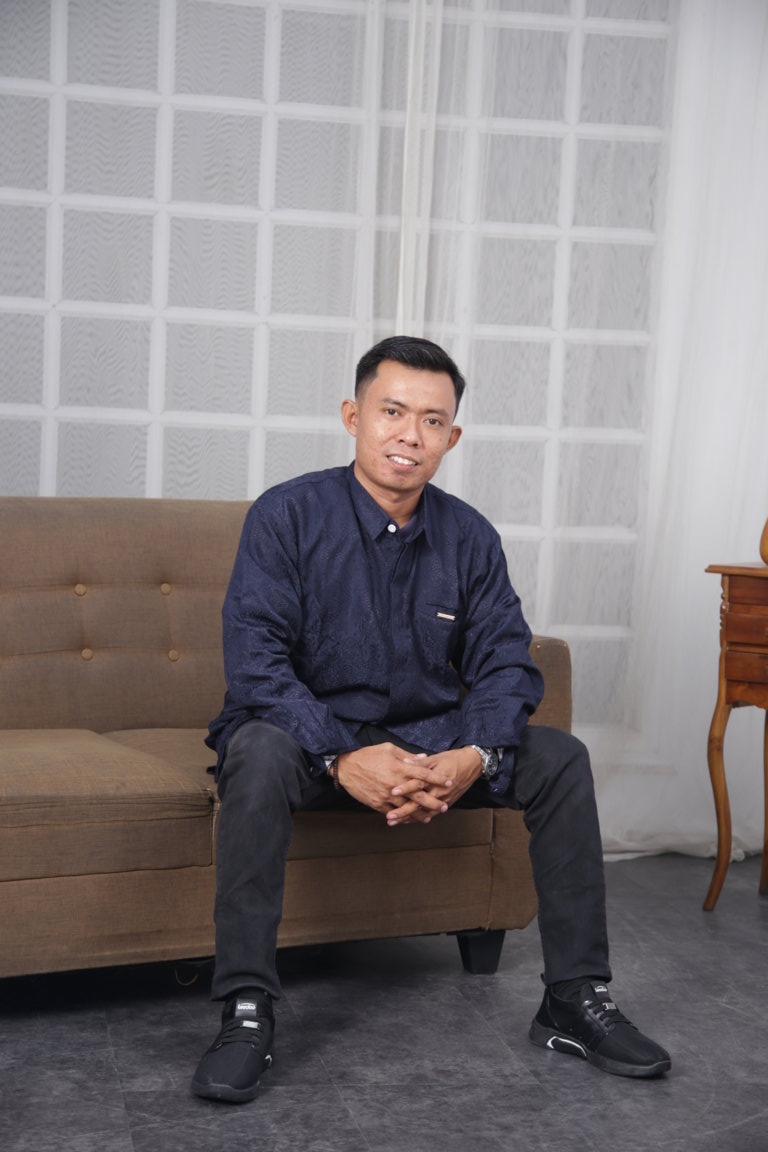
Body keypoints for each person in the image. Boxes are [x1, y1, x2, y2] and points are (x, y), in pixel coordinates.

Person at [191, 335, 671, 1103]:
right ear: (353, 417)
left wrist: (473, 754)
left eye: (432, 420)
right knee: (255, 751)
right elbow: (256, 664)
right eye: (392, 412)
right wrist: (342, 756)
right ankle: (246, 1007)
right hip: (310, 744)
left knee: (560, 757)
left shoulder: (469, 537)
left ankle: (574, 999)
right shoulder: (287, 516)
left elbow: (507, 663)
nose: (409, 435)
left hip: (432, 746)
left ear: (453, 436)